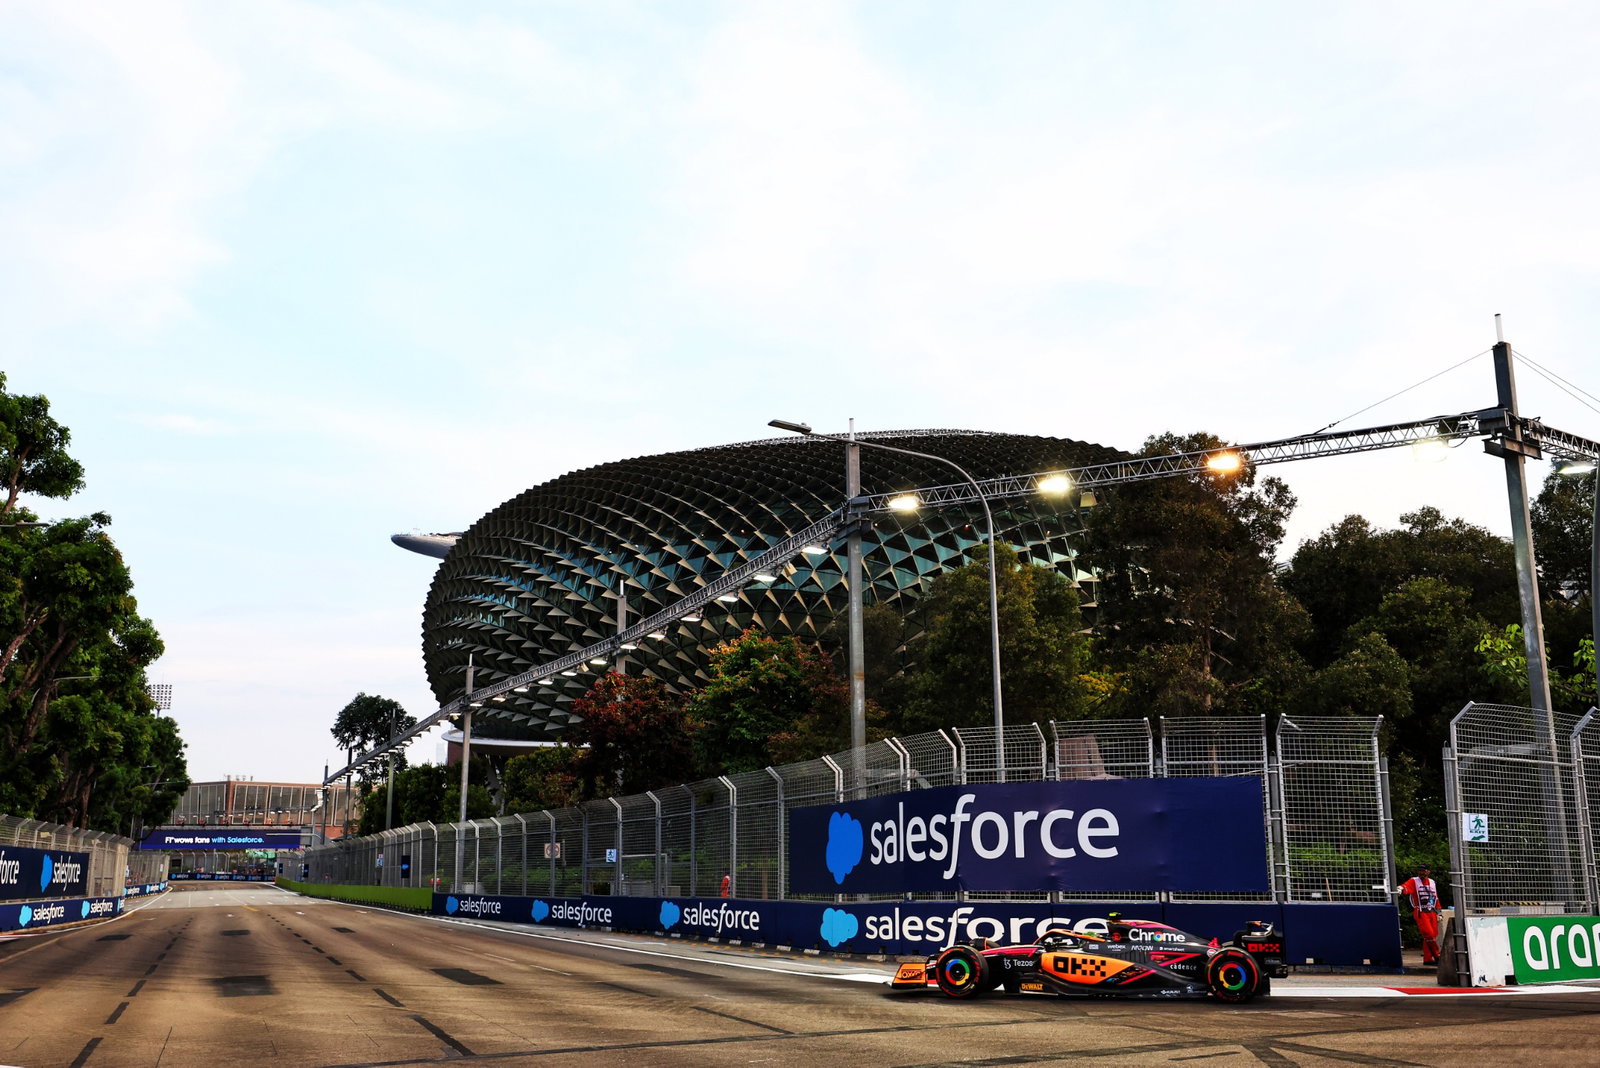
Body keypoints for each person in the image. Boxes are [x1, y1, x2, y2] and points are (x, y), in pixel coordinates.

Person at [1399, 864, 1441, 966]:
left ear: (1428, 871)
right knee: (1429, 934)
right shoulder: (1414, 881)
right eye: (1420, 870)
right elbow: (1406, 886)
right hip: (1421, 911)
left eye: (1423, 870)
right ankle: (1437, 955)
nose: (1421, 872)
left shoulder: (1432, 882)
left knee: (1433, 935)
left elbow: (1435, 897)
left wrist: (1439, 912)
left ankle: (1427, 959)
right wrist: (1401, 888)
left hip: (1432, 911)